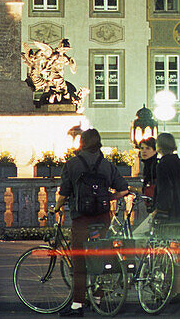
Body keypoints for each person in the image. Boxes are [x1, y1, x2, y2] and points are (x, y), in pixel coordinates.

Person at [55, 127, 129, 317]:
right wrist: (109, 197)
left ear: (82, 143)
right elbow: (123, 190)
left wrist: (57, 207)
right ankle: (97, 296)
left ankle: (77, 304)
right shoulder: (107, 164)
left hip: (81, 219)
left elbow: (64, 192)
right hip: (103, 217)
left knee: (79, 259)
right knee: (102, 255)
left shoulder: (72, 164)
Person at [153, 132, 180, 305]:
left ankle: (168, 289)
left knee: (165, 251)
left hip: (168, 214)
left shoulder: (162, 165)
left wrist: (159, 210)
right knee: (177, 253)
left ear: (159, 147)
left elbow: (165, 190)